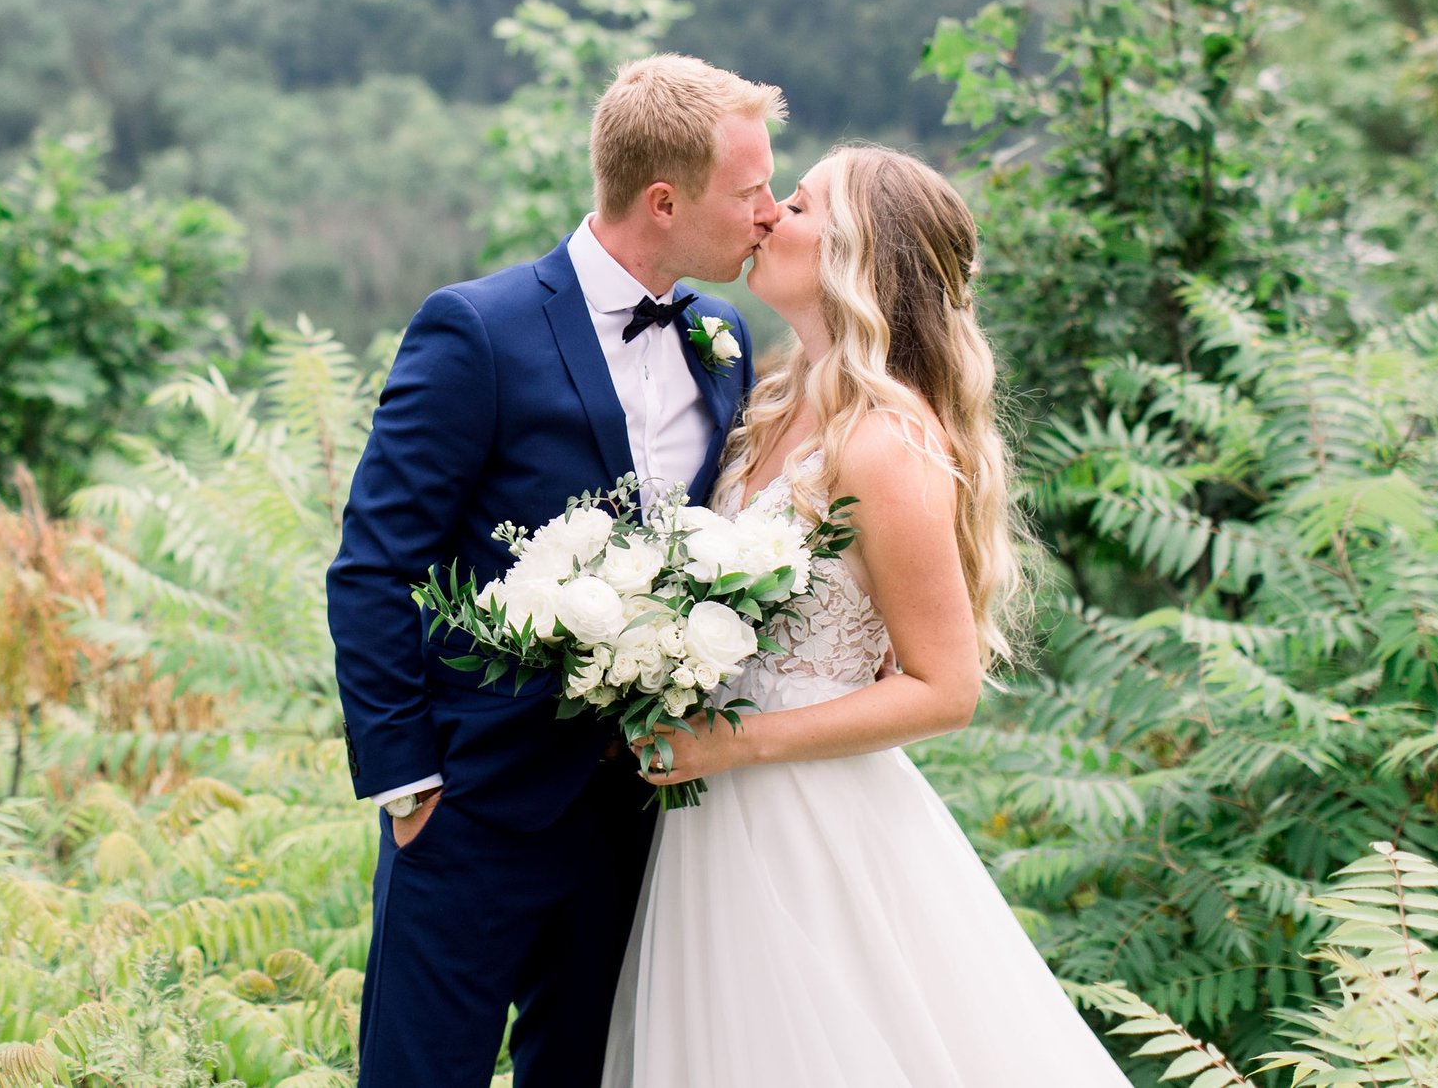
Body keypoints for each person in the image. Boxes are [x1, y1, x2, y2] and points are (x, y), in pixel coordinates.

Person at [603, 143, 1133, 1087]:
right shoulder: (775, 400)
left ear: (856, 257)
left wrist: (740, 744)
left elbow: (946, 687)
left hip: (808, 818)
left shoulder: (887, 441)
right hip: (711, 813)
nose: (768, 215)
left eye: (797, 205)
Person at [327, 54, 783, 1088]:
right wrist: (410, 785)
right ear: (664, 200)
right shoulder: (475, 329)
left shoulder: (722, 338)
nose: (768, 210)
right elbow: (372, 564)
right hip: (471, 803)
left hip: (632, 811)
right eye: (750, 189)